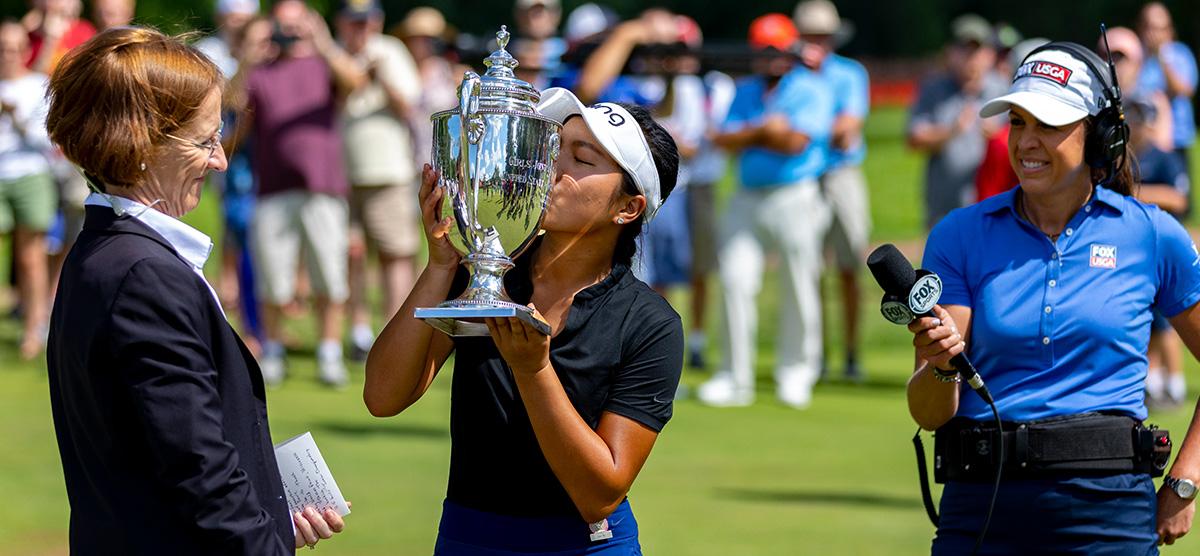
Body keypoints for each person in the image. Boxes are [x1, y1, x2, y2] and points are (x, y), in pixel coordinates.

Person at [44, 26, 346, 553]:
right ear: (140, 142)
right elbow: (199, 473)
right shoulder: (142, 273)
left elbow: (157, 446)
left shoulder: (103, 251)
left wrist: (272, 509)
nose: (220, 159)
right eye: (205, 140)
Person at [908, 41, 1200, 553]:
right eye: (1018, 122)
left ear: (1099, 136)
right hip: (982, 508)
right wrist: (940, 365)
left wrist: (1185, 481)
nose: (1026, 142)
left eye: (1048, 124)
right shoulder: (958, 234)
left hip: (1110, 515)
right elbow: (930, 412)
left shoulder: (1152, 234)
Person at [364, 89, 682, 554]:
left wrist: (533, 369)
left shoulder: (650, 324)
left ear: (627, 208)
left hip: (584, 546)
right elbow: (383, 397)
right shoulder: (484, 272)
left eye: (582, 159)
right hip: (467, 538)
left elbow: (600, 495)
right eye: (554, 148)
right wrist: (441, 266)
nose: (553, 167)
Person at [696, 13, 835, 409]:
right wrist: (764, 130)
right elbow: (721, 138)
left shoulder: (811, 88)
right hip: (746, 195)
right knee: (735, 280)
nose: (773, 59)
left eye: (779, 50)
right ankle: (733, 376)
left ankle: (797, 373)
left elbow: (795, 141)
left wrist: (752, 134)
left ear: (791, 51)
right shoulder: (744, 91)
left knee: (799, 281)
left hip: (795, 193)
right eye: (766, 51)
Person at [229, 0, 366, 388]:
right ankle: (273, 350)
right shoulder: (261, 71)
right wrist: (248, 58)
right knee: (273, 276)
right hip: (273, 188)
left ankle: (328, 352)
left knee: (330, 276)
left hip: (324, 186)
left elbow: (355, 81)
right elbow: (231, 102)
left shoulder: (324, 63)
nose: (290, 33)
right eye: (282, 25)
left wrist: (322, 42)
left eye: (296, 24)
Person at [335, 0, 422, 361]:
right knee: (350, 256)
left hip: (389, 172)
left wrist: (380, 74)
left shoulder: (391, 51)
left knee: (396, 255)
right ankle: (358, 332)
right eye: (355, 21)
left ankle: (394, 333)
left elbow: (408, 106)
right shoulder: (332, 54)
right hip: (339, 174)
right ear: (341, 22)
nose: (362, 27)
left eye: (368, 20)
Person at [793, 0, 871, 383]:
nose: (816, 42)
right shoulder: (792, 75)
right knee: (808, 269)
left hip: (840, 175)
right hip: (802, 179)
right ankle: (816, 354)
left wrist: (799, 130)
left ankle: (852, 353)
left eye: (822, 36)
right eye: (809, 35)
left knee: (848, 265)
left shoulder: (849, 73)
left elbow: (846, 130)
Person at [907, 14, 1007, 229]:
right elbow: (914, 139)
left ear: (989, 54)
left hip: (995, 206)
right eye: (964, 49)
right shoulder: (933, 88)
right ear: (950, 51)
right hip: (945, 208)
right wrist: (952, 131)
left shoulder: (1003, 89)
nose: (971, 57)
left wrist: (999, 137)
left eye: (977, 50)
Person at [1126, 96, 1191, 410]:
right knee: (1147, 315)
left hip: (1160, 248)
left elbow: (1180, 198)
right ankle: (1152, 382)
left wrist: (1136, 193)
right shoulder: (1122, 160)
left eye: (1140, 118)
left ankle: (1176, 385)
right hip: (1132, 247)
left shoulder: (1164, 157)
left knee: (1167, 319)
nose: (1135, 125)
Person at [0, 19, 55, 360]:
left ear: (25, 50)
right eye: (2, 48)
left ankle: (34, 330)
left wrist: (15, 117)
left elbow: (46, 140)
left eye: (14, 48)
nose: (8, 55)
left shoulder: (37, 85)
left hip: (30, 175)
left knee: (30, 257)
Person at [1136, 2, 1196, 182]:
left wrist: (1163, 57)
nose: (1154, 34)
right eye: (1150, 27)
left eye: (1160, 28)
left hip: (1178, 138)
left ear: (1169, 31)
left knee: (1178, 194)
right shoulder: (1135, 57)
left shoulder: (1180, 54)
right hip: (1145, 142)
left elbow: (1182, 90)